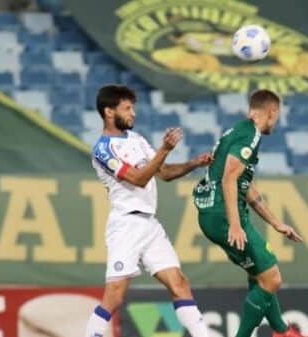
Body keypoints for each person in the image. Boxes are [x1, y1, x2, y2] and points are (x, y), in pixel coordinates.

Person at [84, 84, 212, 337]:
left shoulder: (137, 140)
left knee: (179, 283)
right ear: (109, 112)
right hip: (126, 225)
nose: (133, 113)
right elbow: (139, 178)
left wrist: (194, 163)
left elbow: (162, 173)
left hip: (149, 224)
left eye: (133, 107)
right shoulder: (102, 150)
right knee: (115, 295)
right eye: (127, 108)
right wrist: (164, 149)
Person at [192, 89, 308, 337]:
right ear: (272, 112)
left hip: (216, 213)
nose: (276, 122)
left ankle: (282, 332)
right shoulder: (251, 135)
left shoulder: (238, 130)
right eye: (277, 116)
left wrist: (276, 223)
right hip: (223, 215)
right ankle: (275, 333)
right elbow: (229, 179)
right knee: (272, 278)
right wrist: (235, 225)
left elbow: (246, 186)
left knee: (260, 275)